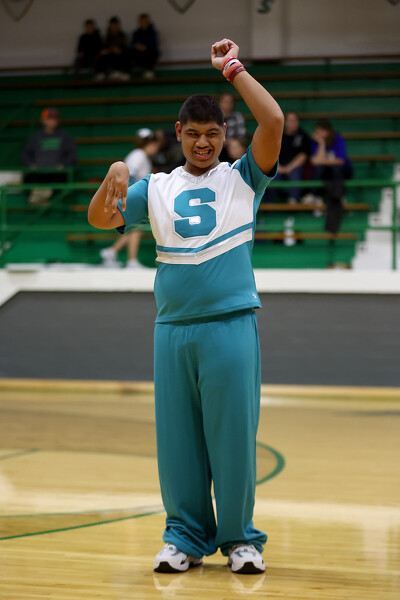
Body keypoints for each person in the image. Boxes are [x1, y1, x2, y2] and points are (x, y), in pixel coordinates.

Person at [88, 37, 283, 574]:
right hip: (172, 329)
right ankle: (184, 538)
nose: (203, 143)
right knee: (178, 444)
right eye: (194, 133)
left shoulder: (243, 178)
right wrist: (112, 177)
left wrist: (233, 70)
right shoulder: (154, 188)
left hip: (230, 326)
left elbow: (273, 121)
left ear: (224, 135)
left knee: (233, 439)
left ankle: (240, 539)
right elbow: (100, 219)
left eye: (212, 134)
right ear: (178, 133)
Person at [99, 129, 160, 269]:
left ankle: (111, 252)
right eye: (155, 145)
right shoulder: (139, 155)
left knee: (135, 228)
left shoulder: (141, 155)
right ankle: (130, 260)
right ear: (150, 143)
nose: (156, 149)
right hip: (130, 196)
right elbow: (129, 175)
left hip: (132, 195)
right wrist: (130, 197)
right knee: (136, 228)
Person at [22, 108, 76, 205]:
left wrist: (64, 165)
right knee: (29, 178)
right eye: (49, 119)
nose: (52, 121)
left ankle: (40, 197)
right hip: (38, 173)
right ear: (43, 120)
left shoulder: (64, 136)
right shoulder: (36, 137)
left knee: (60, 179)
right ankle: (41, 197)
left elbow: (72, 154)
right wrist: (30, 164)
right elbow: (26, 153)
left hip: (56, 174)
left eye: (54, 119)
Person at [308, 119, 353, 234]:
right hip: (325, 172)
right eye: (316, 131)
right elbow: (314, 162)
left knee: (335, 169)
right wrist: (322, 144)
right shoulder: (316, 142)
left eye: (319, 131)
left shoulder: (338, 139)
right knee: (319, 169)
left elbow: (340, 161)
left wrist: (323, 161)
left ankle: (339, 196)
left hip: (343, 171)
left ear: (326, 131)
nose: (317, 134)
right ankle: (316, 197)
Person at [266, 111, 311, 204]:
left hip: (294, 167)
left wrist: (289, 167)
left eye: (295, 120)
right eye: (290, 120)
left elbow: (303, 155)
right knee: (272, 175)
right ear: (285, 122)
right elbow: (270, 153)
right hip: (278, 167)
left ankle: (293, 201)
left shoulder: (303, 136)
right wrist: (278, 167)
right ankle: (269, 205)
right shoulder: (277, 135)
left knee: (295, 173)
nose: (293, 123)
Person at [95, 16, 129, 80]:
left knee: (126, 56)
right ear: (110, 26)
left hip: (120, 56)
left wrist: (119, 50)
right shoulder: (107, 37)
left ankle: (121, 73)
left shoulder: (122, 36)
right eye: (113, 25)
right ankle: (102, 74)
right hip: (110, 56)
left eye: (116, 25)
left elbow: (125, 47)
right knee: (102, 57)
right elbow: (104, 47)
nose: (114, 27)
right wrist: (110, 50)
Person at [130, 13, 160, 79]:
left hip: (149, 52)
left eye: (145, 22)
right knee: (130, 52)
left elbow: (154, 44)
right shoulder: (136, 33)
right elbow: (132, 44)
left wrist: (145, 47)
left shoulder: (152, 32)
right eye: (142, 22)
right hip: (139, 53)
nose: (143, 23)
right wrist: (137, 46)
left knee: (153, 52)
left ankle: (149, 71)